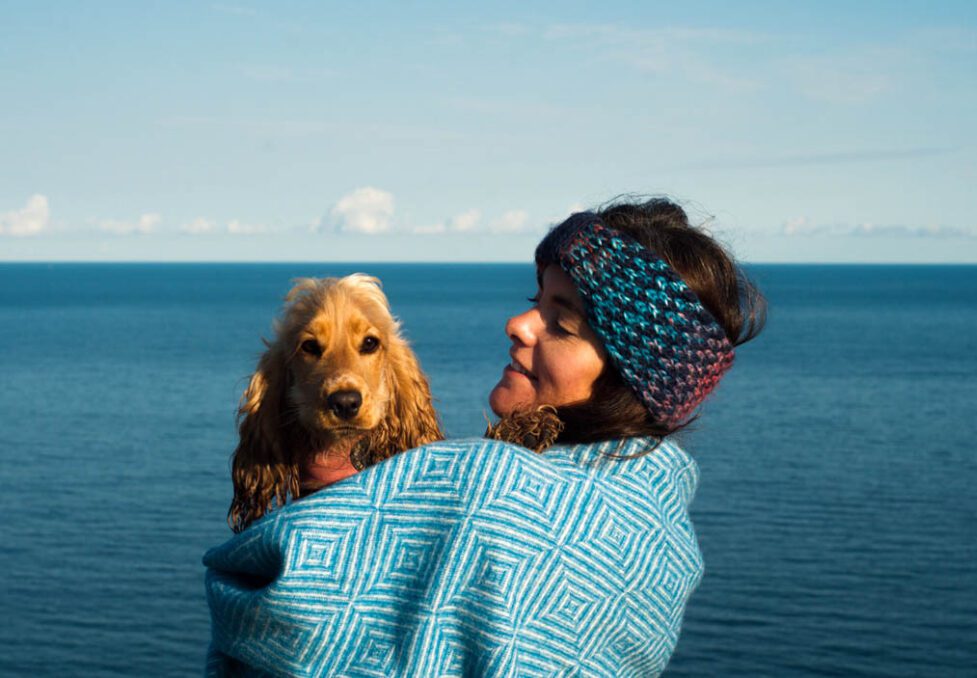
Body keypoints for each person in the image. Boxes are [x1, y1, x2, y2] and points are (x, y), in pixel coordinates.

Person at [203, 198, 766, 677]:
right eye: (534, 303)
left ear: (627, 377)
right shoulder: (655, 518)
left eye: (561, 323)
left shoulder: (493, 492)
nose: (518, 326)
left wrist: (331, 503)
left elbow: (284, 614)